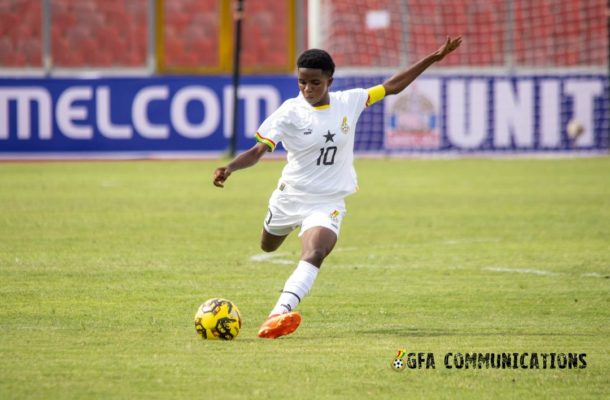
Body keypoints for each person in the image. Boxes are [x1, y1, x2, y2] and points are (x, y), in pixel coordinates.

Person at [213, 36, 462, 339]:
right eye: (302, 83)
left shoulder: (350, 101)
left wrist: (434, 57)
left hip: (327, 200)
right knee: (267, 246)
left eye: (315, 83)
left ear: (329, 80)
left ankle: (278, 313)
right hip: (290, 197)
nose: (307, 89)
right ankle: (287, 227)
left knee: (316, 250)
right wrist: (230, 168)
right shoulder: (289, 112)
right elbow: (257, 151)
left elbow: (393, 86)